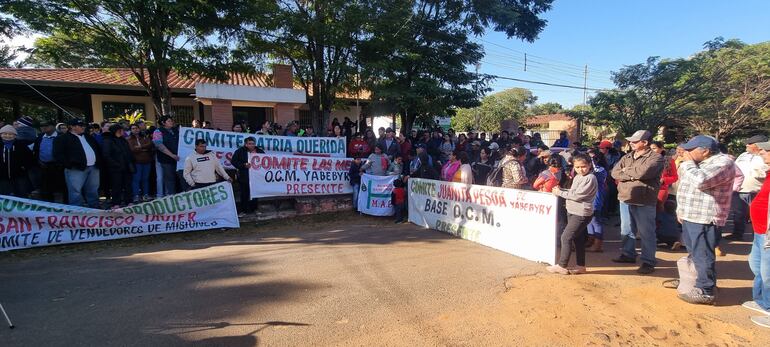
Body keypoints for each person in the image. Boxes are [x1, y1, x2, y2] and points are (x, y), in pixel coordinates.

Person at [675, 135, 735, 305]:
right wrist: (681, 210)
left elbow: (701, 181)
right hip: (691, 215)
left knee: (702, 254)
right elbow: (686, 184)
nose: (686, 153)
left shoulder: (723, 163)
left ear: (706, 151)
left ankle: (705, 290)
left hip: (704, 217)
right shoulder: (700, 163)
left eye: (690, 150)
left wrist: (687, 163)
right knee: (694, 252)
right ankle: (692, 282)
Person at [611, 130, 665, 274]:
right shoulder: (627, 156)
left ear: (645, 143)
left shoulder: (656, 158)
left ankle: (648, 261)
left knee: (647, 232)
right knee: (626, 229)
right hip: (625, 198)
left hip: (644, 200)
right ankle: (628, 254)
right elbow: (614, 173)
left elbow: (643, 173)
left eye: (635, 141)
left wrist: (626, 173)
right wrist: (633, 174)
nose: (631, 143)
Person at [547, 154, 599, 275]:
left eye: (583, 166)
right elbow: (573, 191)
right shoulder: (578, 177)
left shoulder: (590, 178)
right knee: (578, 239)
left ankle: (562, 265)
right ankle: (581, 266)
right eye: (577, 167)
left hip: (581, 213)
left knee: (566, 237)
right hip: (573, 211)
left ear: (589, 165)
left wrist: (560, 192)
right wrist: (562, 190)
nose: (581, 169)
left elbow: (578, 196)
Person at [745, 140, 770, 327]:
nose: (762, 153)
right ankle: (762, 301)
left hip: (767, 232)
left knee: (768, 272)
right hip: (759, 229)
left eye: (766, 151)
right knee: (756, 265)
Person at [727, 134, 769, 241]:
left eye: (750, 143)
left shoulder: (765, 155)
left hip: (757, 191)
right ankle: (737, 233)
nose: (747, 145)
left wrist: (757, 172)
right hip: (740, 190)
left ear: (758, 145)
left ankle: (758, 236)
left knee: (758, 215)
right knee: (738, 213)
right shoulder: (742, 155)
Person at [53, 118, 102, 208]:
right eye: (80, 126)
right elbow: (58, 154)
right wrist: (69, 165)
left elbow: (97, 149)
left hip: (93, 167)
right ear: (72, 127)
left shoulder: (88, 136)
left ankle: (95, 208)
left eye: (83, 125)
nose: (83, 127)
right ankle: (77, 210)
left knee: (93, 189)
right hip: (75, 169)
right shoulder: (62, 139)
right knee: (75, 191)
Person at [101, 124, 135, 208]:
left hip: (126, 167)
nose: (123, 131)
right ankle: (116, 203)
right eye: (121, 130)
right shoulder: (108, 140)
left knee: (128, 185)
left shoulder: (123, 140)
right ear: (117, 131)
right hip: (115, 168)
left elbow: (128, 152)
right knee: (116, 185)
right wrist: (116, 164)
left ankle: (129, 201)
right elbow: (106, 155)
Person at [231, 137, 264, 217]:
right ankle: (243, 210)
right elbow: (234, 162)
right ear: (245, 144)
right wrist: (243, 165)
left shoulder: (259, 151)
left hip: (256, 177)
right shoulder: (239, 151)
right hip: (244, 176)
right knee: (244, 194)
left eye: (253, 143)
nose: (251, 145)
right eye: (249, 144)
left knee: (255, 194)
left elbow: (265, 161)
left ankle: (255, 209)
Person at [33, 121, 66, 202]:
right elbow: (36, 150)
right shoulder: (40, 137)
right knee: (45, 189)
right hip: (43, 167)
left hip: (58, 167)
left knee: (61, 189)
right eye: (41, 126)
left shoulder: (61, 136)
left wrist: (61, 163)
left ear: (53, 126)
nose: (43, 127)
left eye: (46, 125)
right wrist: (39, 161)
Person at [0, 125, 34, 197]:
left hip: (19, 176)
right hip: (2, 177)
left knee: (21, 194)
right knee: (4, 195)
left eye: (10, 134)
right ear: (1, 135)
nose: (7, 136)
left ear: (15, 135)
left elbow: (30, 158)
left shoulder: (21, 145)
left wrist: (24, 167)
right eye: (5, 134)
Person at [152, 115, 181, 196]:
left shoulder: (175, 130)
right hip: (166, 159)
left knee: (179, 178)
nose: (171, 122)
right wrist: (171, 155)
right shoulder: (158, 131)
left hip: (178, 158)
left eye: (171, 120)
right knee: (169, 178)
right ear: (163, 123)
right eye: (169, 121)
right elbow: (159, 145)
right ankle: (171, 196)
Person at [586, 149, 608, 252]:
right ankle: (590, 240)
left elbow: (596, 177)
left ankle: (598, 245)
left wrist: (593, 165)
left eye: (592, 158)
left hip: (596, 198)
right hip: (588, 198)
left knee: (596, 221)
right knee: (589, 221)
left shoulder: (600, 170)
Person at [128, 123, 153, 202]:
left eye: (136, 128)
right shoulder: (129, 139)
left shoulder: (144, 137)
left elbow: (150, 144)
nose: (135, 130)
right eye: (133, 128)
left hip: (146, 161)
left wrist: (141, 147)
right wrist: (144, 148)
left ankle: (146, 194)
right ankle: (136, 195)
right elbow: (132, 149)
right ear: (131, 130)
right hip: (137, 162)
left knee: (145, 179)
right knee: (136, 179)